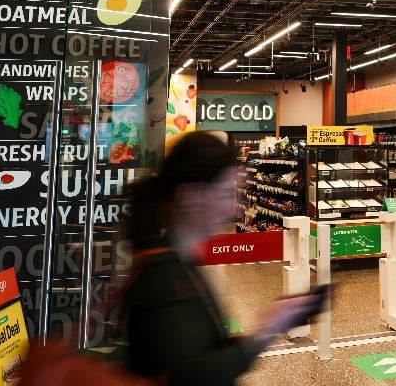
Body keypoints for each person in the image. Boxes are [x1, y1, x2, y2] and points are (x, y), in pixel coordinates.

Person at [123, 132, 324, 385]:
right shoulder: (162, 277)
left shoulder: (180, 262)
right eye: (225, 194)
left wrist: (276, 319)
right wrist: (267, 329)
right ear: (190, 196)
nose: (231, 209)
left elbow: (205, 348)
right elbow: (191, 377)